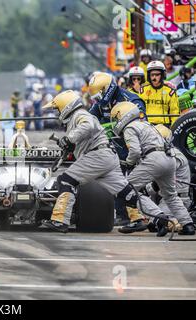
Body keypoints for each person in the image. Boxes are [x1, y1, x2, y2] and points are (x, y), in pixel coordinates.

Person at [41, 91, 169, 235]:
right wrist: (69, 145)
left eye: (57, 109)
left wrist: (69, 138)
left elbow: (87, 126)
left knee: (66, 180)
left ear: (65, 107)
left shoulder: (80, 115)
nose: (57, 113)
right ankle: (160, 218)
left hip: (97, 156)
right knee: (128, 194)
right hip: (107, 156)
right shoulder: (79, 117)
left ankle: (60, 220)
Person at [110, 102, 195, 236]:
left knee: (126, 189)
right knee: (170, 195)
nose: (116, 121)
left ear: (123, 115)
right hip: (169, 158)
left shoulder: (130, 128)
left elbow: (135, 151)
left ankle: (158, 218)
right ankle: (188, 225)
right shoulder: (147, 124)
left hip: (154, 159)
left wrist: (128, 163)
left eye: (116, 118)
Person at [88, 72, 148, 225]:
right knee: (115, 182)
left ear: (107, 90)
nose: (96, 100)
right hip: (114, 148)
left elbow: (141, 124)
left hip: (134, 147)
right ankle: (123, 216)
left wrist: (104, 127)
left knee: (134, 184)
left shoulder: (132, 100)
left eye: (98, 95)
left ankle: (143, 216)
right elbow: (89, 120)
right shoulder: (100, 104)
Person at [147, 124, 194, 233]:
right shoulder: (162, 154)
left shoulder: (173, 155)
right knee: (153, 224)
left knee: (155, 225)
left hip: (178, 199)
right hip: (167, 198)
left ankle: (179, 223)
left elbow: (157, 182)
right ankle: (176, 221)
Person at [139, 61, 180, 127]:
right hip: (146, 126)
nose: (154, 78)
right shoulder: (142, 90)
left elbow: (175, 113)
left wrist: (173, 128)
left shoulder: (170, 92)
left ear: (163, 75)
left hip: (164, 126)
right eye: (152, 75)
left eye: (157, 75)